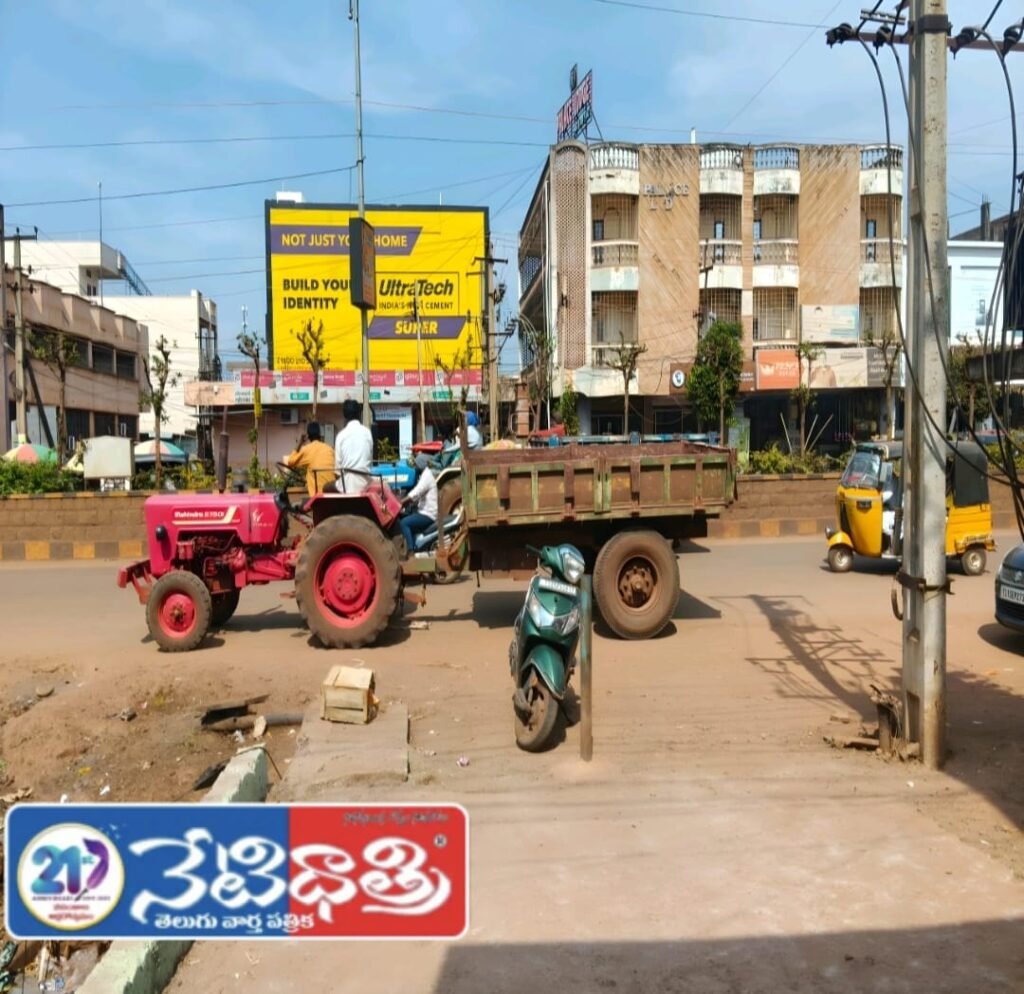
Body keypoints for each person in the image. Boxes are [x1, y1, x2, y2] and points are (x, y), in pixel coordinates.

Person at [282, 421, 337, 497]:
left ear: (308, 436)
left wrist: (300, 442)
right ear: (320, 434)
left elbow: (290, 461)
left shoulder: (307, 450)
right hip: (332, 493)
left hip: (317, 497)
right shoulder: (329, 449)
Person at [333, 398, 374, 493]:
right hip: (365, 483)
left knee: (326, 487)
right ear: (359, 414)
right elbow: (369, 461)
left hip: (346, 485)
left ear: (345, 416)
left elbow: (337, 471)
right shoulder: (367, 433)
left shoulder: (341, 435)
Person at [399, 454, 438, 553]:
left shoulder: (426, 476)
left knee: (404, 523)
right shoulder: (424, 475)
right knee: (404, 516)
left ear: (420, 465)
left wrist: (400, 503)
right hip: (423, 511)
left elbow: (416, 493)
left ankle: (411, 550)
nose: (415, 467)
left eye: (416, 465)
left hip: (428, 514)